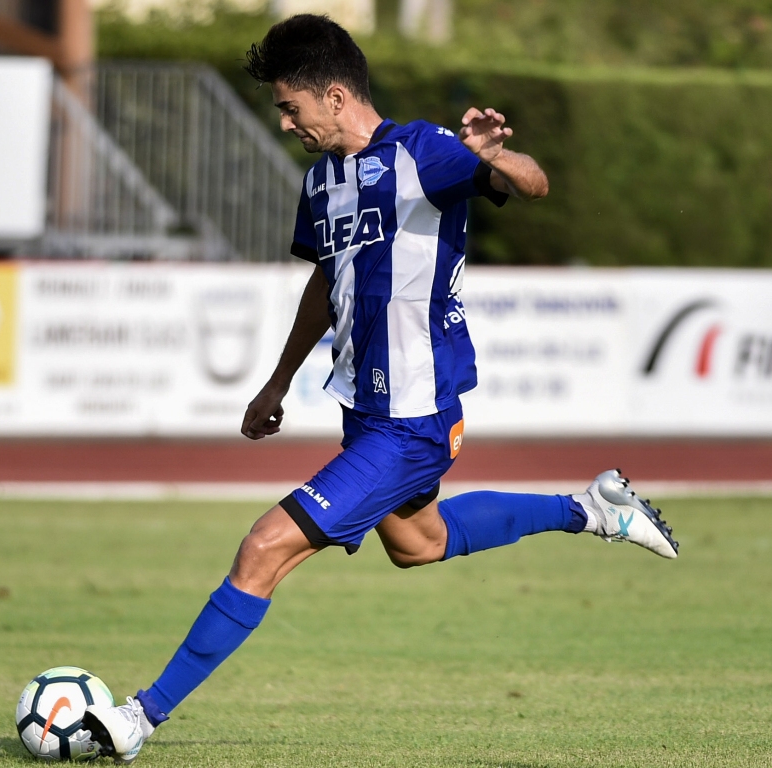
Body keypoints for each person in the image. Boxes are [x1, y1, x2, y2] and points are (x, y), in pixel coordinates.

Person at [82, 15, 678, 763]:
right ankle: (590, 509)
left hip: (414, 420)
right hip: (363, 415)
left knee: (263, 548)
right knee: (417, 544)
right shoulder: (320, 180)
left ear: (335, 96)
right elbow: (326, 280)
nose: (284, 121)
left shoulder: (424, 153)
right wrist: (276, 381)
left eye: (290, 106)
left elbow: (532, 184)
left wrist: (494, 157)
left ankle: (138, 717)